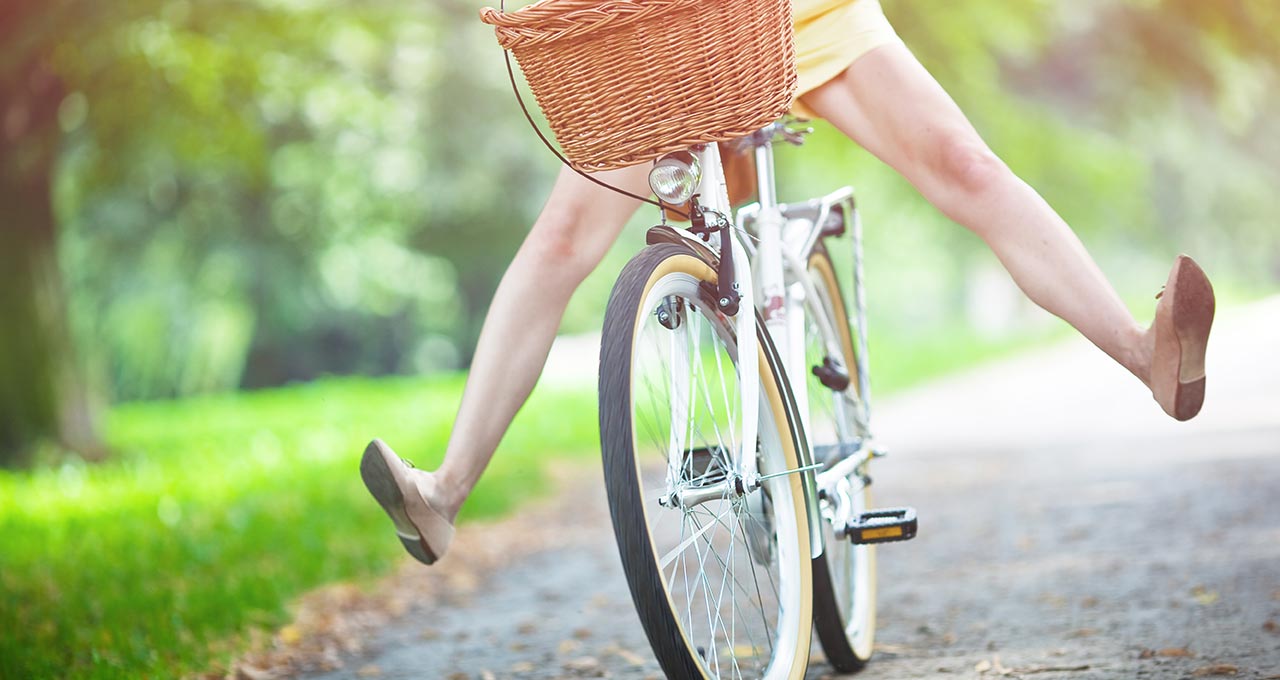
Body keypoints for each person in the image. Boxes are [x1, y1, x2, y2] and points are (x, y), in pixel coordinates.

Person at [358, 0, 1216, 565]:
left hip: (794, 8)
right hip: (656, 23)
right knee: (560, 242)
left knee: (962, 164)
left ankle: (1147, 355)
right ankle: (445, 493)